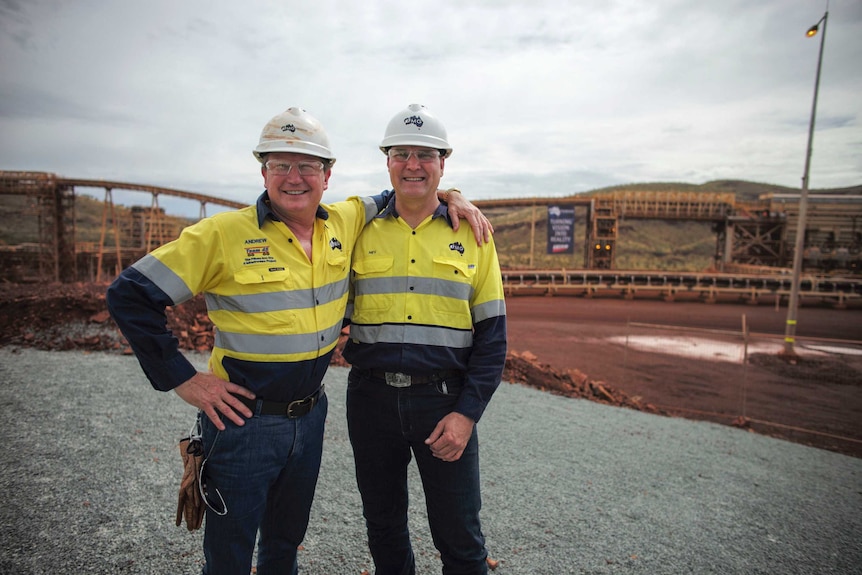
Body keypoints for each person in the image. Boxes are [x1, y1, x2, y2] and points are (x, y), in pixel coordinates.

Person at [105, 106, 491, 575]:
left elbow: (410, 188)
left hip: (309, 418)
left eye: (307, 165)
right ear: (262, 170)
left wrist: (455, 197)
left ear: (327, 176)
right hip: (243, 421)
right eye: (280, 164)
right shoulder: (224, 234)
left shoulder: (344, 222)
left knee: (283, 546)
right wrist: (184, 380)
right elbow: (129, 294)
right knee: (228, 554)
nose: (294, 177)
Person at [343, 104, 507, 574]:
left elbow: (493, 338)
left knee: (459, 534)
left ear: (442, 163)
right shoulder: (358, 230)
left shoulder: (475, 236)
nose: (412, 164)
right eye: (401, 154)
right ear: (387, 161)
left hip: (444, 402)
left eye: (425, 155)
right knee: (383, 525)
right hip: (370, 398)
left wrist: (466, 414)